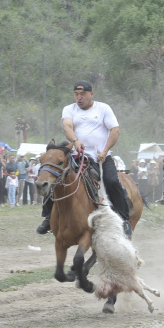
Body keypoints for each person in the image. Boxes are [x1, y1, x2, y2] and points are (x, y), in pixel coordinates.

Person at [36, 80, 133, 238]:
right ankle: (48, 218)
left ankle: (124, 219)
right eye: (76, 94)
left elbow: (115, 131)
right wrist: (75, 141)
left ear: (91, 94)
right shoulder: (69, 109)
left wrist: (105, 150)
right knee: (55, 178)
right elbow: (67, 126)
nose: (79, 97)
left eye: (83, 94)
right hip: (75, 157)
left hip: (101, 158)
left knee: (112, 181)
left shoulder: (103, 108)